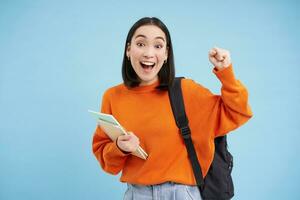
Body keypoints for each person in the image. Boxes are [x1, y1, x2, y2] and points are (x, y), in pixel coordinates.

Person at [92, 17, 253, 200]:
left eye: (158, 46)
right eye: (141, 43)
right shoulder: (113, 97)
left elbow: (238, 112)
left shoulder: (186, 91)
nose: (148, 53)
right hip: (136, 194)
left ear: (167, 54)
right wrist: (120, 147)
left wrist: (226, 72)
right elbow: (107, 163)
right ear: (128, 50)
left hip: (181, 194)